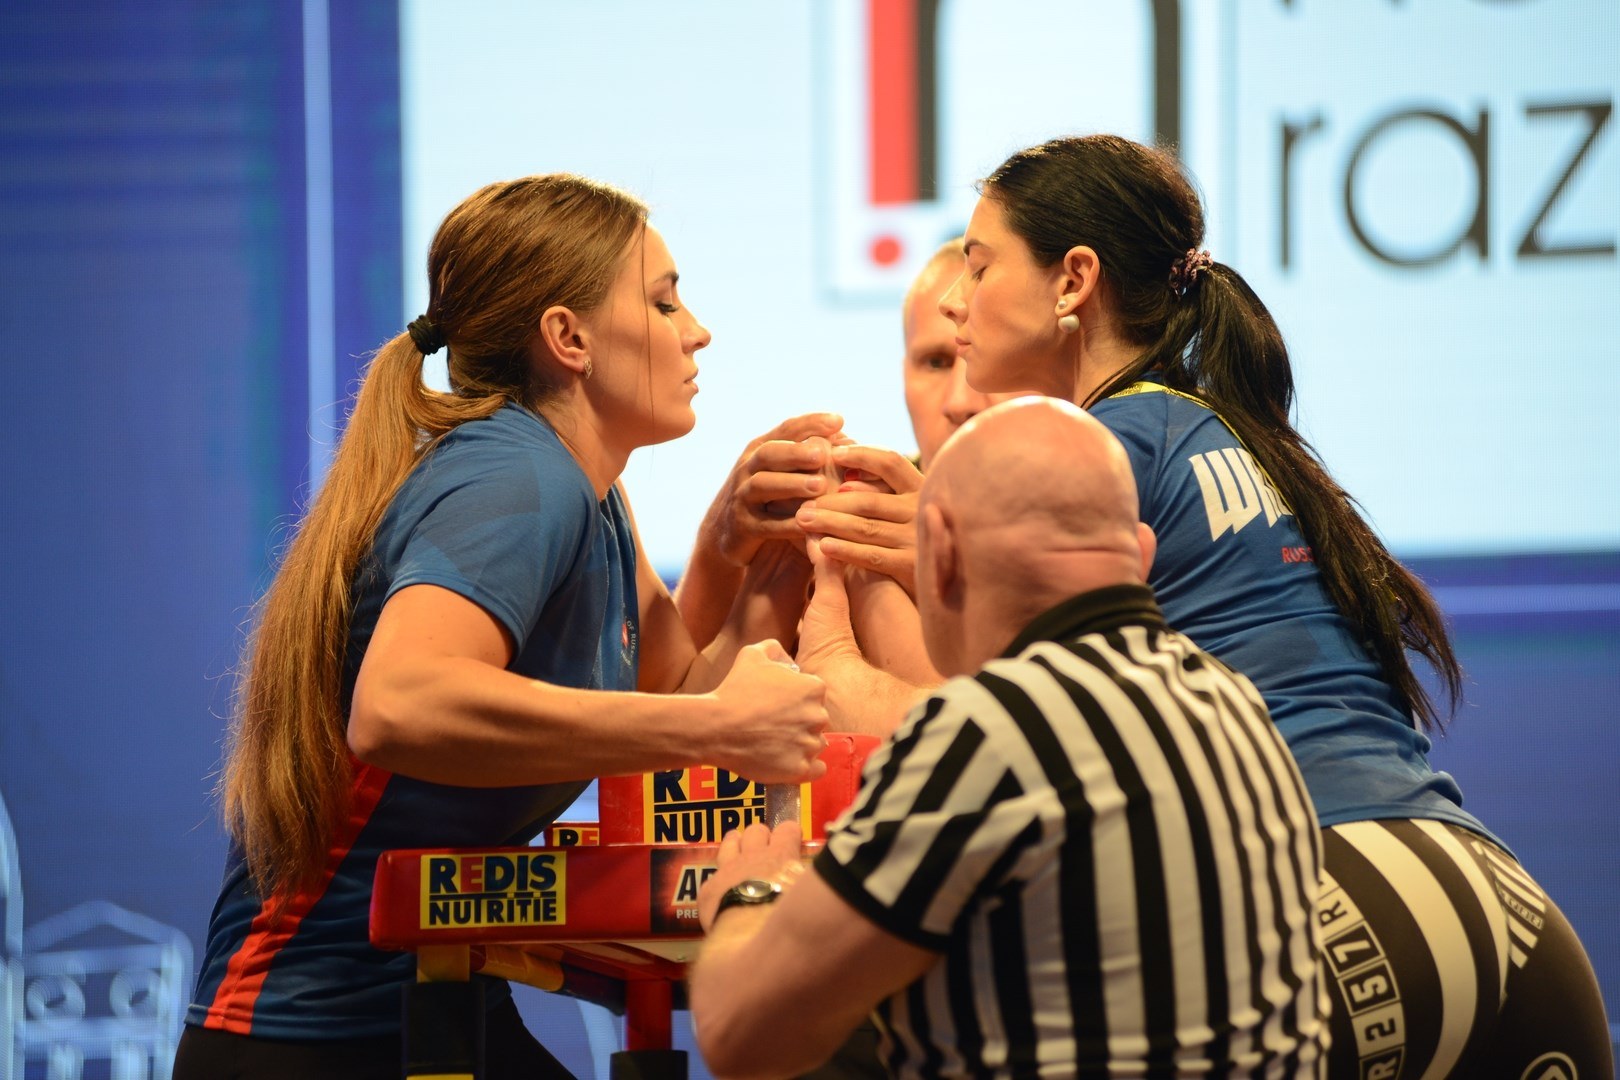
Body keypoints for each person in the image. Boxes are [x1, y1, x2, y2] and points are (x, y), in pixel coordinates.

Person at [813, 134, 1611, 1077]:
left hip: (1330, 916)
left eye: (980, 266)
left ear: (1074, 281)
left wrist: (830, 627)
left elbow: (970, 733)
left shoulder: (1099, 450)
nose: (957, 297)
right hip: (1505, 918)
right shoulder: (1228, 431)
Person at [172, 174, 830, 1080]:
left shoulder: (594, 493)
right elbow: (399, 705)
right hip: (314, 1035)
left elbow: (679, 699)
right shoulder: (518, 476)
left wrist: (754, 555)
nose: (696, 330)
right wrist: (721, 723)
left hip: (434, 996)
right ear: (568, 340)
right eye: (664, 300)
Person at [688, 397, 1330, 1078]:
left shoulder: (992, 732)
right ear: (1139, 555)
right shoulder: (1233, 701)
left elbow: (738, 1033)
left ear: (939, 556)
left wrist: (749, 893)